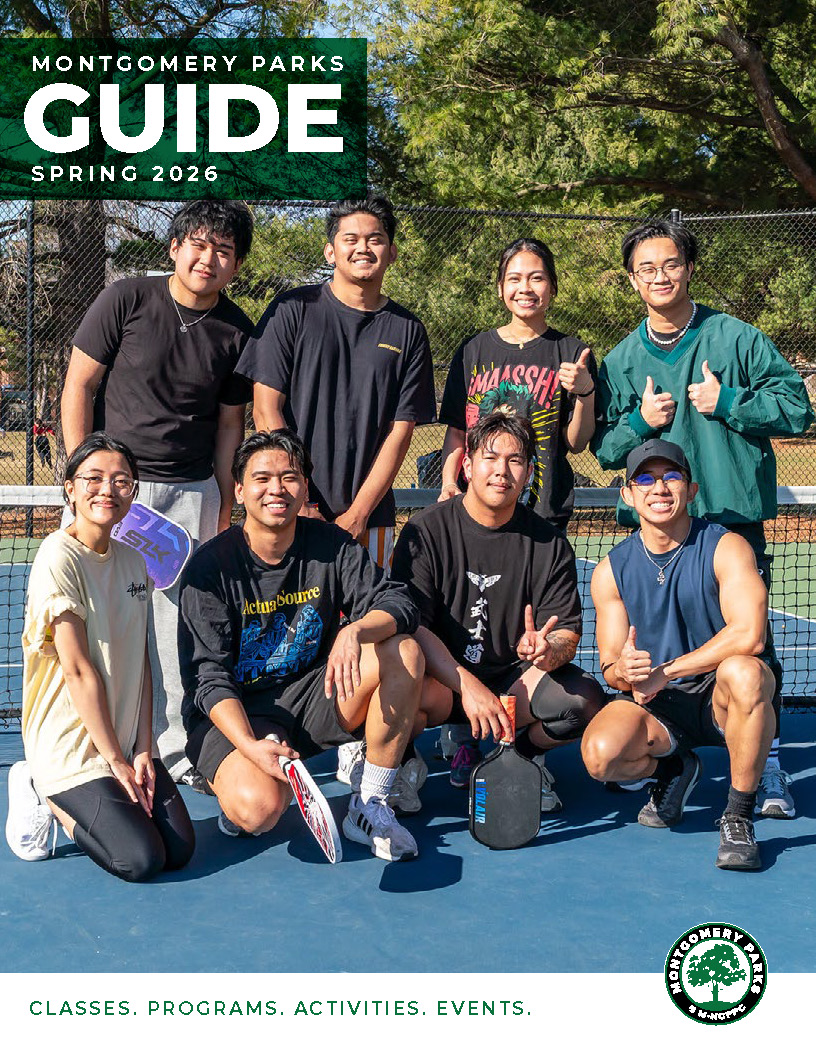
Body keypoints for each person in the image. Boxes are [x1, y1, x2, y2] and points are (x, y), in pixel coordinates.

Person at [592, 218, 814, 819]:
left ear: (689, 268)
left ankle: (766, 764)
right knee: (653, 652)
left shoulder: (737, 338)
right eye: (646, 269)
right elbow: (605, 448)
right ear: (632, 280)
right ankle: (670, 755)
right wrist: (639, 422)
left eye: (670, 264)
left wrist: (730, 402)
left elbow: (798, 408)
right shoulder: (622, 359)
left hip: (729, 526)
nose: (659, 276)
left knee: (751, 657)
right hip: (659, 538)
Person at [61, 200, 255, 788]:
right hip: (114, 493)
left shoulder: (238, 330)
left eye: (224, 250)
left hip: (191, 494)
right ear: (175, 247)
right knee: (92, 626)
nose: (209, 259)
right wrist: (86, 478)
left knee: (176, 633)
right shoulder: (126, 299)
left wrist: (223, 504)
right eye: (199, 244)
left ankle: (173, 752)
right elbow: (79, 385)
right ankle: (80, 751)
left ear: (237, 264)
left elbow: (230, 425)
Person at [178, 430, 425, 863]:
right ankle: (239, 790)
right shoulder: (209, 568)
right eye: (261, 478)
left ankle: (370, 803)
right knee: (259, 811)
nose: (276, 488)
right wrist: (250, 745)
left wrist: (356, 631)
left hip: (313, 699)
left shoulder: (331, 544)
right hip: (235, 714)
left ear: (305, 487)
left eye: (288, 477)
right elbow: (208, 679)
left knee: (403, 652)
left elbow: (397, 602)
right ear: (240, 490)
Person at [436, 237, 601, 766]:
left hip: (540, 514)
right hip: (476, 516)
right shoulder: (474, 349)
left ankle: (522, 748)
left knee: (530, 630)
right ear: (500, 287)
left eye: (536, 277)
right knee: (465, 621)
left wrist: (585, 392)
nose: (525, 288)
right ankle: (463, 731)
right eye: (514, 278)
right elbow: (458, 430)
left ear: (551, 286)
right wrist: (448, 483)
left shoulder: (571, 350)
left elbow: (576, 441)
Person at [5, 433, 195, 880]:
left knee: (179, 850)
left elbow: (141, 661)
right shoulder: (57, 556)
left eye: (121, 480)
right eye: (93, 478)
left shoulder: (134, 561)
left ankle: (107, 780)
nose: (107, 489)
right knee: (140, 859)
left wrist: (144, 750)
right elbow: (77, 669)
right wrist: (115, 761)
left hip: (124, 740)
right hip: (72, 744)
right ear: (70, 488)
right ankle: (41, 786)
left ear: (133, 492)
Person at [582, 439, 778, 870]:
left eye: (671, 477)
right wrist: (625, 670)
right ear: (627, 494)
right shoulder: (610, 571)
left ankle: (738, 816)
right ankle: (674, 769)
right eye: (645, 479)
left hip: (722, 697)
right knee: (600, 756)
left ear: (691, 490)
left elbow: (750, 636)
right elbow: (611, 666)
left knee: (746, 672)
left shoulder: (727, 546)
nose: (659, 488)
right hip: (660, 705)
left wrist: (666, 671)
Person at [391, 412, 604, 803]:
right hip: (444, 683)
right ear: (467, 466)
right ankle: (402, 762)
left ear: (528, 474)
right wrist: (467, 686)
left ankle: (521, 758)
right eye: (490, 458)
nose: (502, 471)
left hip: (512, 685)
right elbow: (412, 628)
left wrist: (548, 650)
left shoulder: (550, 544)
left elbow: (566, 633)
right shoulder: (425, 530)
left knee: (583, 700)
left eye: (515, 460)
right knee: (388, 680)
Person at [235, 195, 436, 572]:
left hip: (369, 521)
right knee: (283, 610)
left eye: (375, 239)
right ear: (330, 251)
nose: (363, 247)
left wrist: (358, 514)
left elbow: (401, 432)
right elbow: (265, 410)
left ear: (392, 253)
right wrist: (301, 502)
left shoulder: (408, 330)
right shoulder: (291, 310)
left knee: (368, 611)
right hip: (285, 512)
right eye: (350, 239)